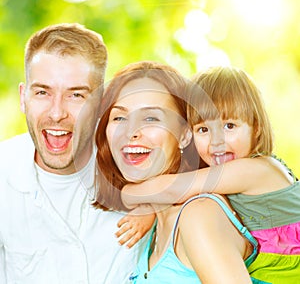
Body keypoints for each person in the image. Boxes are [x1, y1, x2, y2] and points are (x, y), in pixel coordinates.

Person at [121, 66, 300, 283]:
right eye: (203, 130)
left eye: (229, 125)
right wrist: (150, 210)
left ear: (257, 128)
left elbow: (174, 189)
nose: (216, 141)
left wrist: (130, 192)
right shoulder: (221, 178)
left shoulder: (256, 170)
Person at [0, 23, 148, 284]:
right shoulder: (5, 172)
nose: (57, 113)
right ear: (24, 97)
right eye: (43, 92)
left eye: (76, 95)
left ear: (102, 103)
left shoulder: (136, 165)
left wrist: (155, 203)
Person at [93, 61, 261, 283]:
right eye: (119, 117)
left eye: (151, 118)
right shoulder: (154, 227)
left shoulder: (199, 215)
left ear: (185, 135)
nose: (131, 131)